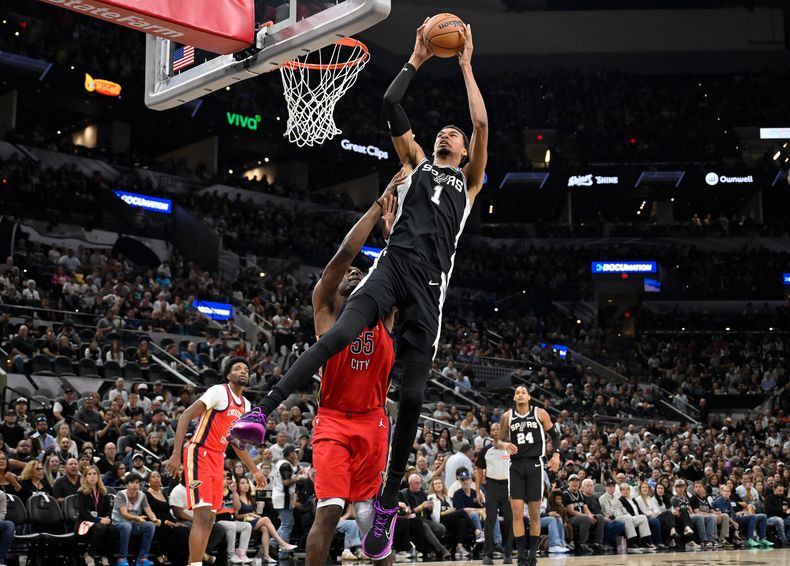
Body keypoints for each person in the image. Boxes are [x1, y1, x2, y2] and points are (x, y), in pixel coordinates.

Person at [228, 19, 488, 560]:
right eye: (442, 132)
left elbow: (481, 123)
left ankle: (388, 506)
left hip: (429, 285)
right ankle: (263, 409)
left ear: (464, 153)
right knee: (342, 332)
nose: (448, 134)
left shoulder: (468, 181)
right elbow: (392, 106)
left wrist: (463, 63)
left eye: (454, 136)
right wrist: (417, 58)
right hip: (393, 264)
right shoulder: (414, 164)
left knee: (412, 397)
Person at [301, 173, 400, 566]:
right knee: (328, 511)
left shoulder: (382, 312)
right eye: (349, 273)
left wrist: (392, 239)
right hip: (334, 420)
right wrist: (378, 209)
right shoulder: (326, 308)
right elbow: (343, 254)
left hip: (373, 422)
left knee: (370, 518)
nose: (354, 271)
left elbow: (398, 267)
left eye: (361, 271)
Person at [166, 359, 265, 566]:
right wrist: (176, 455)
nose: (242, 372)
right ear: (228, 375)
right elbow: (185, 416)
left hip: (218, 458)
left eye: (246, 369)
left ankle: (196, 561)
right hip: (199, 452)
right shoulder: (219, 391)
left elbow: (238, 443)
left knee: (210, 520)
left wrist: (254, 471)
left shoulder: (246, 405)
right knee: (202, 517)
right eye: (237, 368)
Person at [498, 386, 560, 566]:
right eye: (517, 392)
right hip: (516, 465)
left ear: (529, 397)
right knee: (517, 513)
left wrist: (556, 455)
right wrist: (504, 445)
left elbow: (555, 436)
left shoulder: (540, 413)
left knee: (534, 514)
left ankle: (533, 554)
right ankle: (521, 555)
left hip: (535, 464)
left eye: (523, 392)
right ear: (514, 397)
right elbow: (499, 440)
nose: (520, 394)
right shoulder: (507, 417)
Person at [475, 421, 513, 564]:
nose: (496, 431)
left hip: (509, 487)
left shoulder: (511, 449)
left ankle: (508, 553)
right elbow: (479, 471)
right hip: (491, 486)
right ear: (491, 433)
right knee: (490, 520)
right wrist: (478, 491)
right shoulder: (485, 450)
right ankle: (488, 554)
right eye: (493, 429)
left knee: (510, 520)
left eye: (499, 429)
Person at [236, 477, 296, 563]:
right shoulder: (237, 497)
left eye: (246, 483)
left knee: (265, 528)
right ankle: (281, 543)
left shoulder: (250, 497)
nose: (245, 485)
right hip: (243, 522)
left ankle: (266, 556)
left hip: (252, 521)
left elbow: (254, 512)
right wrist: (249, 514)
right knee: (266, 519)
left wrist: (255, 513)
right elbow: (236, 516)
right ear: (238, 486)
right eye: (242, 483)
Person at [112, 473, 160, 566]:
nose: (135, 485)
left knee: (150, 525)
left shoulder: (142, 495)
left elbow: (149, 511)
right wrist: (137, 518)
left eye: (137, 482)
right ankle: (122, 558)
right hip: (118, 523)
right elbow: (124, 514)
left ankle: (142, 557)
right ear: (126, 484)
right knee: (127, 525)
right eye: (132, 482)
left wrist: (155, 519)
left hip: (134, 523)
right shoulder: (120, 494)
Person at [144, 471, 190, 566]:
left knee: (184, 529)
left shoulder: (162, 493)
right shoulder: (146, 494)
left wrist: (174, 522)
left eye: (158, 476)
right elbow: (149, 512)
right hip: (155, 521)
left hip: (167, 520)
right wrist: (167, 522)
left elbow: (167, 512)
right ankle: (161, 552)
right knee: (170, 530)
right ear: (148, 480)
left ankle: (177, 555)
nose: (156, 478)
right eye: (153, 477)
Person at [76, 465, 118, 566]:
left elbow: (108, 509)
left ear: (98, 476)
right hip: (84, 523)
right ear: (85, 477)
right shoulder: (82, 492)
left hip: (100, 521)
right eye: (89, 474)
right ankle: (90, 555)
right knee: (100, 528)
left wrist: (107, 518)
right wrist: (99, 520)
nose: (92, 476)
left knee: (112, 528)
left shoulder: (103, 492)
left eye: (94, 474)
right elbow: (83, 513)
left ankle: (104, 556)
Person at [427, 477, 476, 558]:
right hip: (439, 521)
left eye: (440, 483)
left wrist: (451, 511)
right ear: (433, 486)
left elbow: (452, 510)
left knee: (463, 521)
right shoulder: (431, 498)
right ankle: (476, 531)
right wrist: (446, 512)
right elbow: (434, 515)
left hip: (449, 520)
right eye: (436, 484)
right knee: (462, 511)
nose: (438, 485)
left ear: (442, 485)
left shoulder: (447, 497)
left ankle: (459, 547)